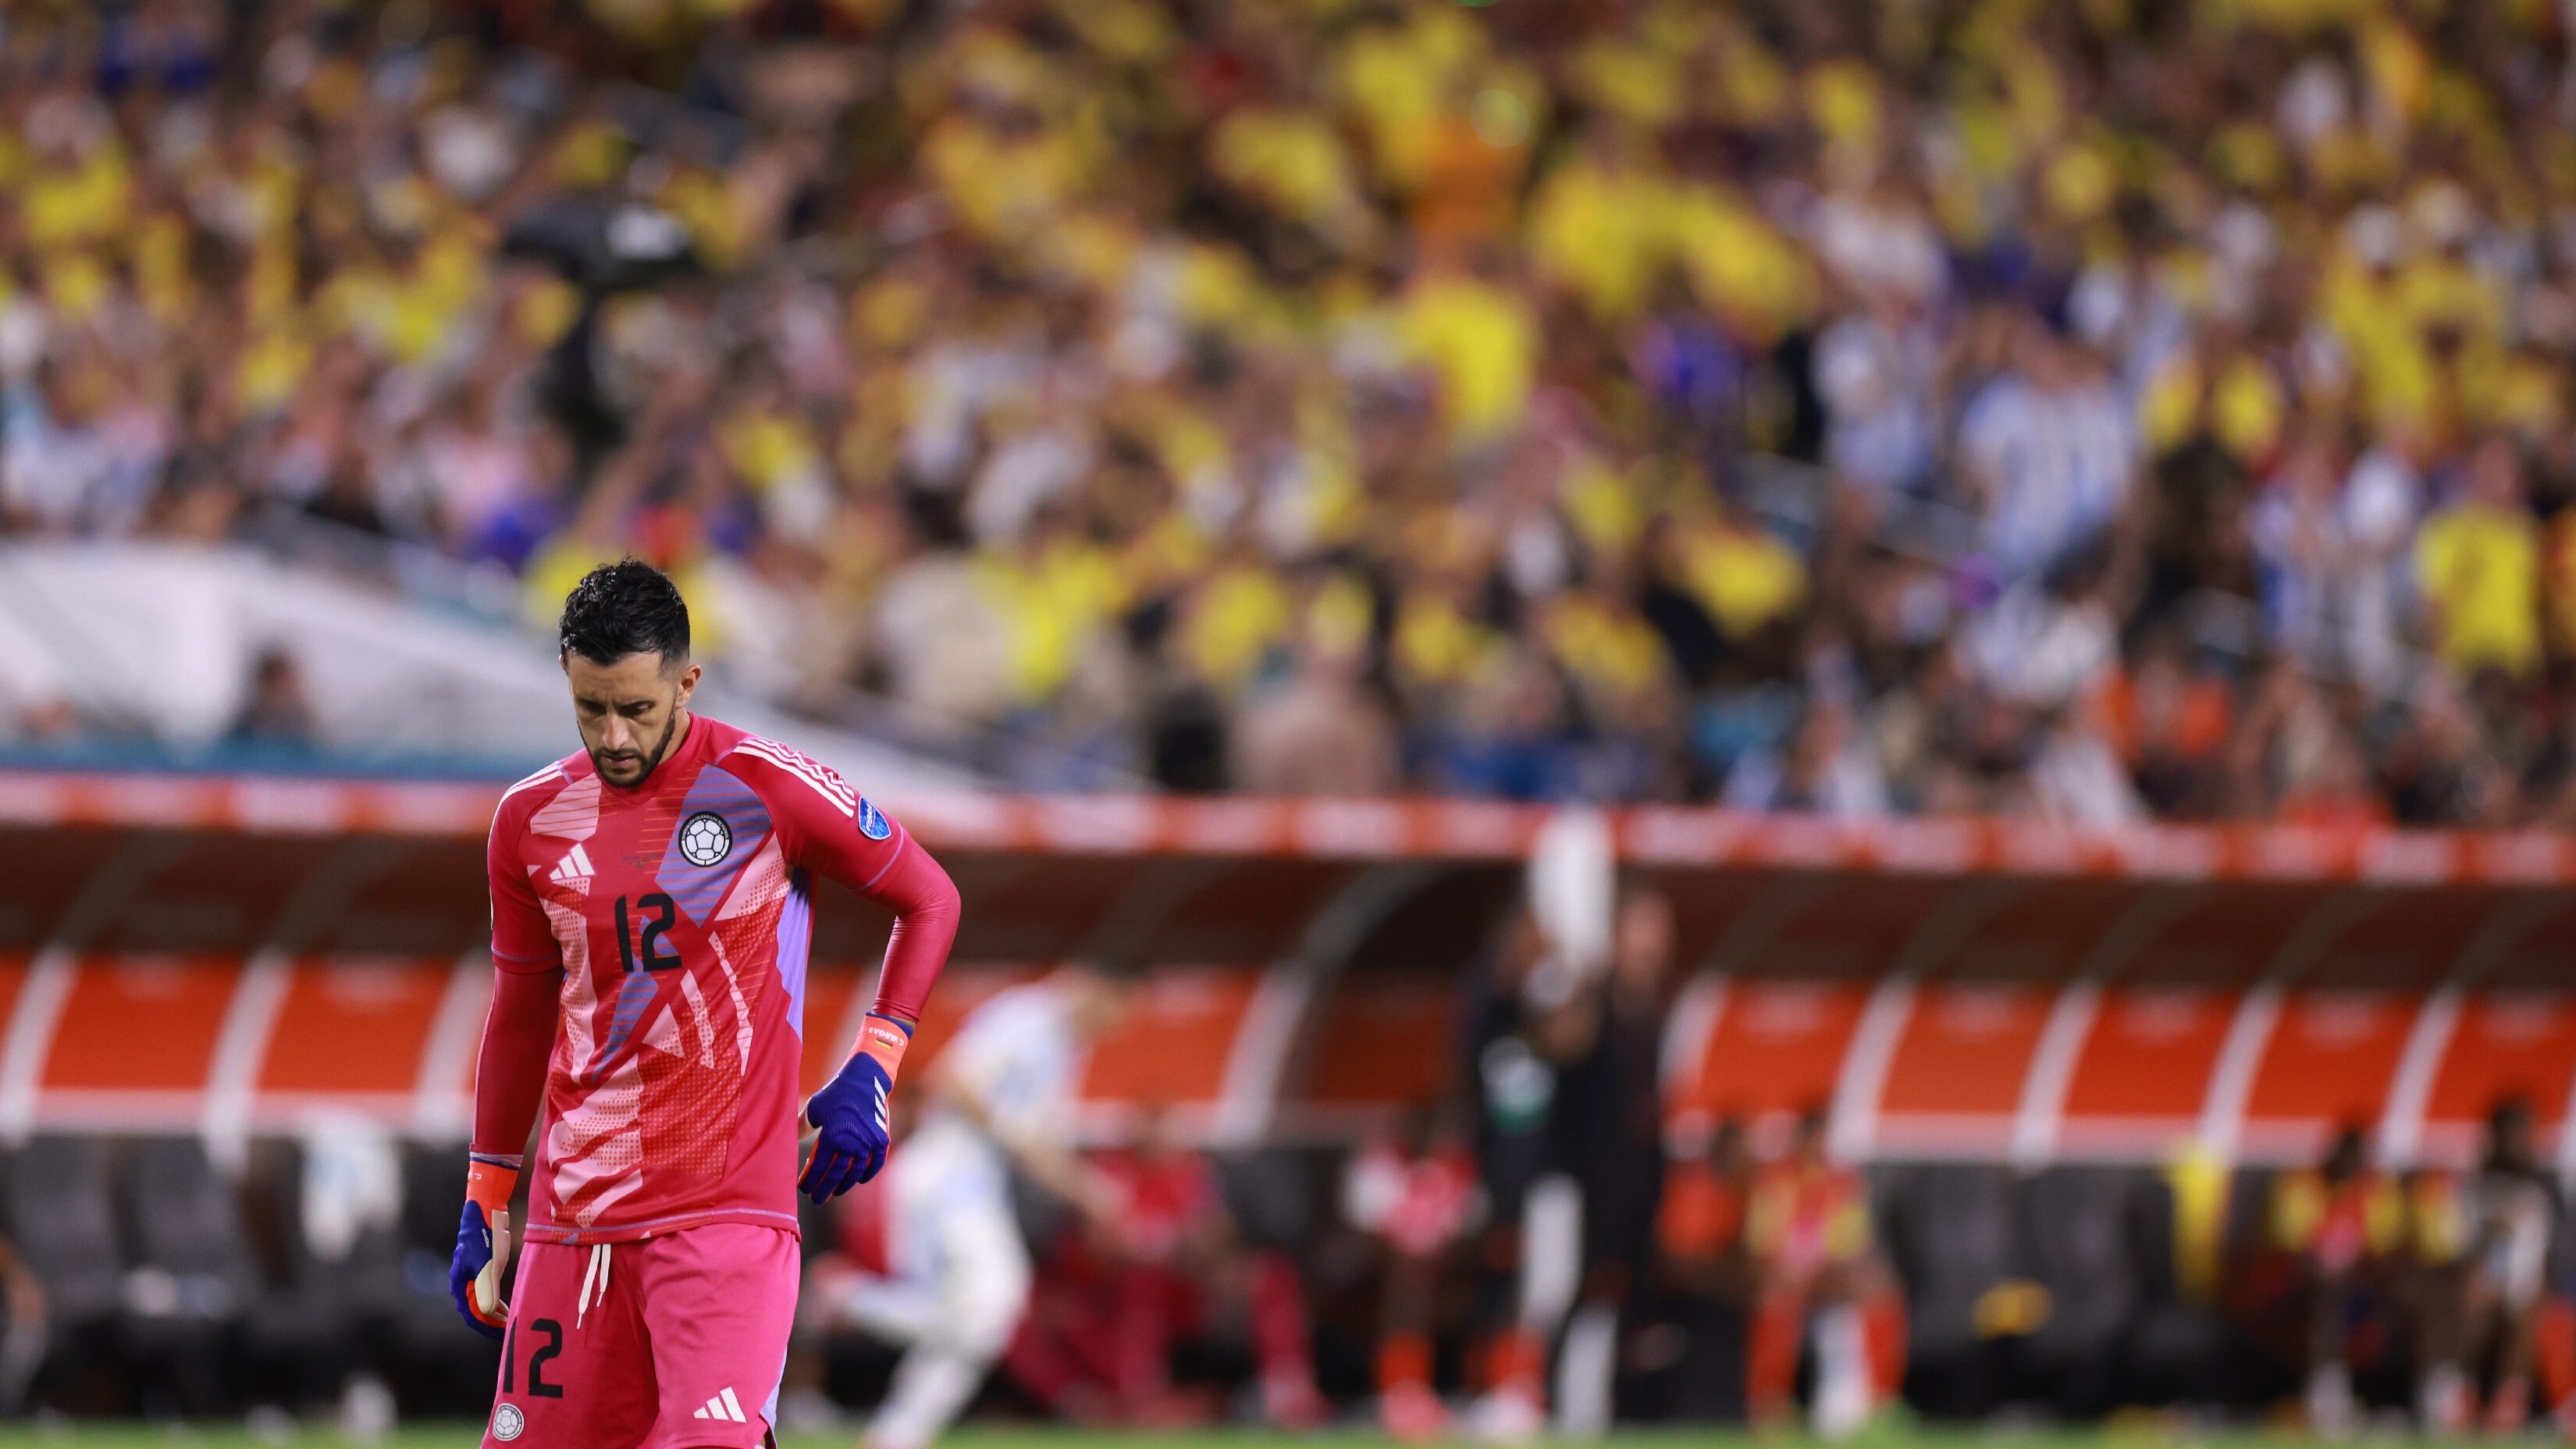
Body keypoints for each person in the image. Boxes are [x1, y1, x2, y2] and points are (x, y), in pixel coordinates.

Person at [449, 559, 962, 1449]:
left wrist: (874, 1063)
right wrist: (488, 1191)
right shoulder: (528, 817)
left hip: (726, 1216)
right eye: (589, 706)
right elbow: (523, 1009)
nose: (612, 734)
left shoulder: (768, 785)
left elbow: (930, 898)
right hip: (573, 1225)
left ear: (687, 679)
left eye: (636, 709)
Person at [806, 965, 1130, 1449]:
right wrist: (1027, 1145)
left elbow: (1035, 1140)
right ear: (1096, 988)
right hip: (945, 1181)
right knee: (986, 1310)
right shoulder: (1028, 1018)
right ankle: (849, 1297)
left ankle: (896, 1435)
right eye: (1118, 1009)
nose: (1114, 1025)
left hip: (976, 1190)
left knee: (980, 1322)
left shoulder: (1065, 1049)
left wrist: (1085, 1190)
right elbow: (952, 1080)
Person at [2267, 1123, 2401, 1432]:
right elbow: (2290, 1247)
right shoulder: (2304, 1186)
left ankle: (2440, 1396)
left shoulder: (2373, 1192)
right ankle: (2325, 1396)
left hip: (2360, 1294)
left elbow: (2386, 1249)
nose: (2351, 1165)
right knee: (2327, 1293)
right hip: (2301, 1295)